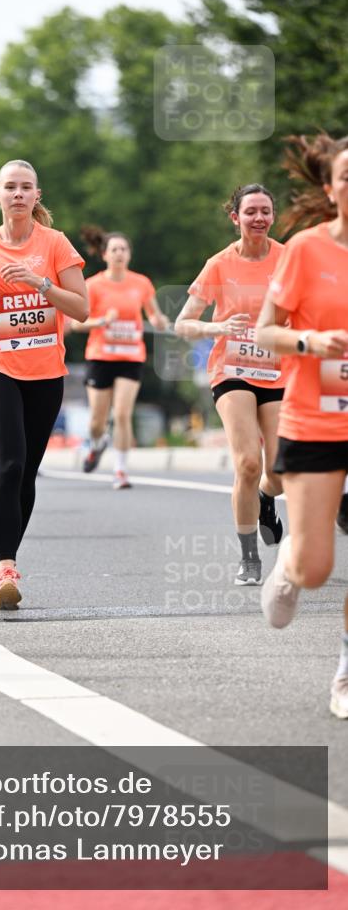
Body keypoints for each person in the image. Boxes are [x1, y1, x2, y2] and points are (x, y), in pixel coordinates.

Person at [0, 159, 88, 609]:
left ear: (37, 196)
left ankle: (0, 557)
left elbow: (81, 308)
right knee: (8, 463)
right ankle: (6, 566)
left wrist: (40, 283)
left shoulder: (55, 244)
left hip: (46, 371)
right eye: (10, 187)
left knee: (27, 471)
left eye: (26, 187)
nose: (18, 194)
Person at [255, 134, 348, 720]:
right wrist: (311, 342)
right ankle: (291, 565)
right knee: (318, 568)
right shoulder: (308, 250)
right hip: (317, 417)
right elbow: (266, 331)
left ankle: (344, 673)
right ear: (330, 187)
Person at [175, 184, 289, 586]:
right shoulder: (220, 264)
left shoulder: (288, 259)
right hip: (232, 370)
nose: (258, 218)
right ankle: (249, 557)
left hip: (278, 372)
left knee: (277, 469)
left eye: (265, 211)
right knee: (246, 462)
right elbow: (183, 323)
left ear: (273, 216)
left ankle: (266, 497)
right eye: (250, 211)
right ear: (235, 217)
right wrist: (217, 326)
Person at [71, 226, 169, 489]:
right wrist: (103, 321)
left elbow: (153, 314)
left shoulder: (141, 283)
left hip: (131, 355)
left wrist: (159, 321)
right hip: (100, 356)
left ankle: (121, 470)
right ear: (104, 255)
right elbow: (75, 323)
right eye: (114, 249)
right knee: (96, 421)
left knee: (123, 414)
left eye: (123, 249)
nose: (119, 254)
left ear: (129, 255)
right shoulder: (93, 285)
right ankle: (98, 443)